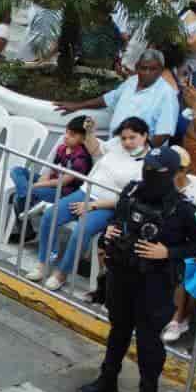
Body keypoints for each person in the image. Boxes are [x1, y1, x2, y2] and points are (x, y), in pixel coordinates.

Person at [77, 145, 196, 392]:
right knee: (118, 330)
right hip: (122, 274)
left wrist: (169, 252)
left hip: (155, 282)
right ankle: (107, 378)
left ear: (173, 174)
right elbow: (120, 219)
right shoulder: (131, 191)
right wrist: (112, 229)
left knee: (149, 342)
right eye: (148, 170)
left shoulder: (183, 208)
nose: (151, 176)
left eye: (158, 173)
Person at [27, 117, 151, 291]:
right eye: (124, 138)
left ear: (144, 135)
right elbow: (95, 150)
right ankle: (43, 263)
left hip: (108, 205)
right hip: (86, 192)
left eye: (132, 138)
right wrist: (90, 131)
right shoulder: (116, 144)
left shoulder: (148, 163)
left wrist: (93, 206)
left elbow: (130, 199)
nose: (127, 142)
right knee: (50, 215)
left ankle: (62, 273)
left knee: (82, 229)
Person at [55, 50, 180, 146]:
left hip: (138, 156)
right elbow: (108, 99)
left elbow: (163, 134)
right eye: (144, 68)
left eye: (153, 69)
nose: (147, 73)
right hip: (113, 147)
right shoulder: (132, 81)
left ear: (161, 70)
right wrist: (78, 105)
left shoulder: (167, 95)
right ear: (137, 67)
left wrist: (139, 154)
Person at [9, 115, 96, 222]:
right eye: (66, 132)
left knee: (19, 197)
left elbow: (63, 182)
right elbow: (52, 168)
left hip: (65, 191)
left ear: (83, 139)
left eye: (72, 135)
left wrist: (37, 185)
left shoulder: (81, 157)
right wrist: (43, 178)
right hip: (51, 182)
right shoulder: (62, 148)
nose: (67, 136)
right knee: (17, 170)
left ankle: (25, 196)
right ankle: (25, 193)